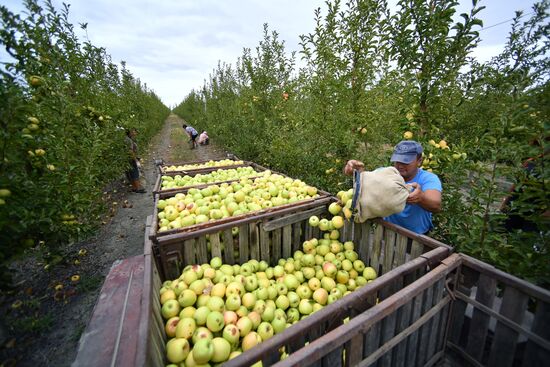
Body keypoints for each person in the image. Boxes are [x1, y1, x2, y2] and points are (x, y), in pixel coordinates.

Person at [344, 140, 442, 234]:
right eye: (397, 160)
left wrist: (421, 198)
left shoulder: (428, 179)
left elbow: (436, 205)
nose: (400, 165)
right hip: (388, 231)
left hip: (417, 237)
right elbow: (368, 184)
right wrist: (356, 172)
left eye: (406, 161)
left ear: (419, 161)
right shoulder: (386, 173)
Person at [125, 128, 146, 193]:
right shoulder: (128, 140)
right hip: (131, 159)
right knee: (134, 172)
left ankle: (134, 187)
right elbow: (130, 151)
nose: (135, 133)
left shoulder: (129, 139)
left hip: (129, 159)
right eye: (133, 131)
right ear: (129, 132)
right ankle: (138, 188)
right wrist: (136, 160)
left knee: (130, 173)